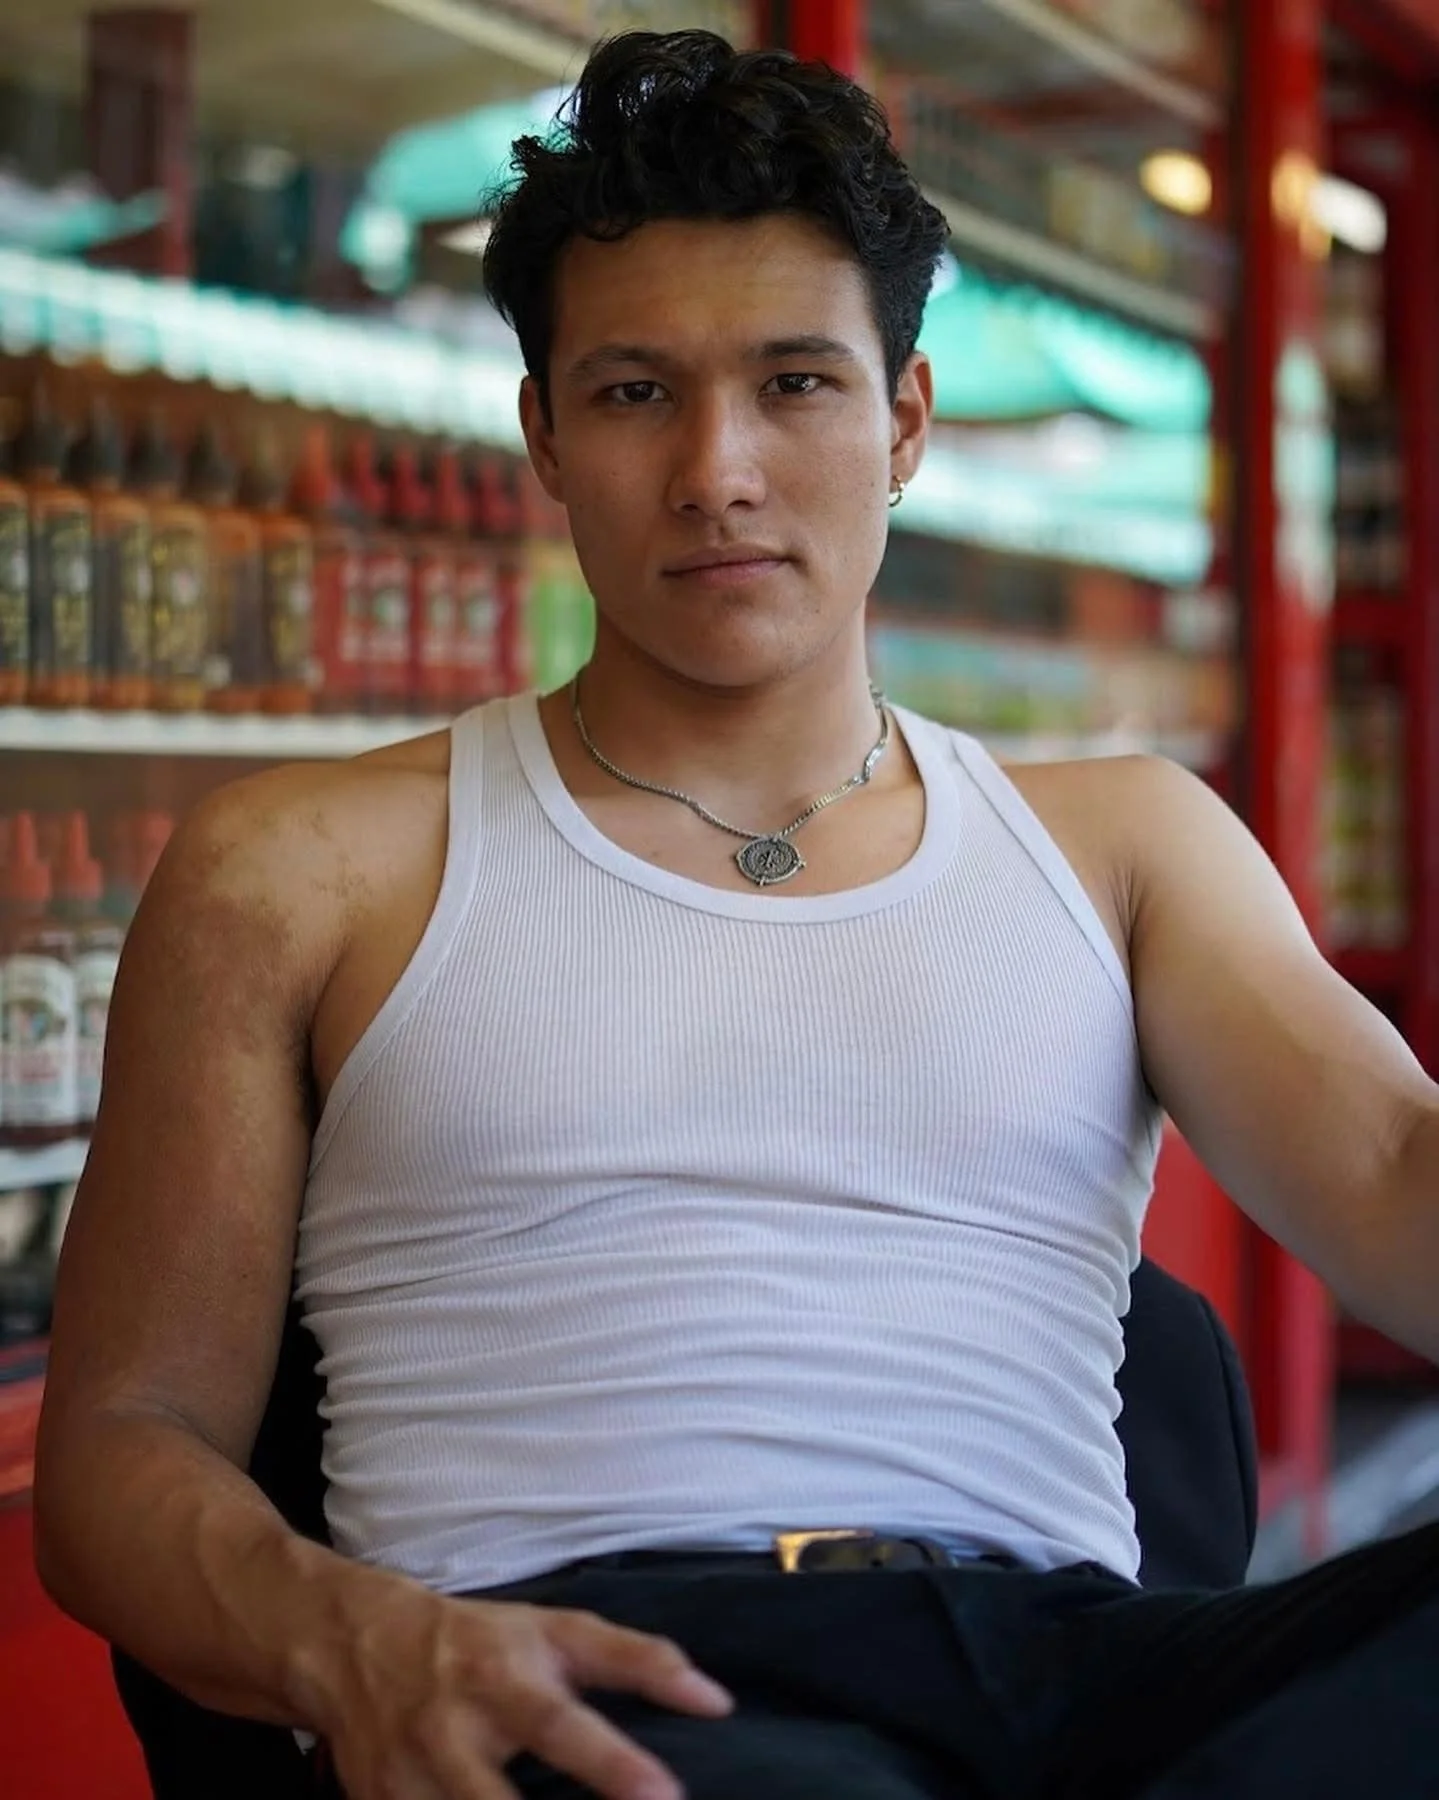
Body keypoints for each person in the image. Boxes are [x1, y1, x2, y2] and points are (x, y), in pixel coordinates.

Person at [32, 28, 1439, 1800]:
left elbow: (1395, 1170)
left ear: (904, 419)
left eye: (794, 384)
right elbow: (123, 1449)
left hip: (1075, 1670)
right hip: (579, 1668)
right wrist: (352, 1639)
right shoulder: (302, 863)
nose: (717, 472)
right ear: (542, 432)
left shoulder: (1125, 842)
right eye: (634, 393)